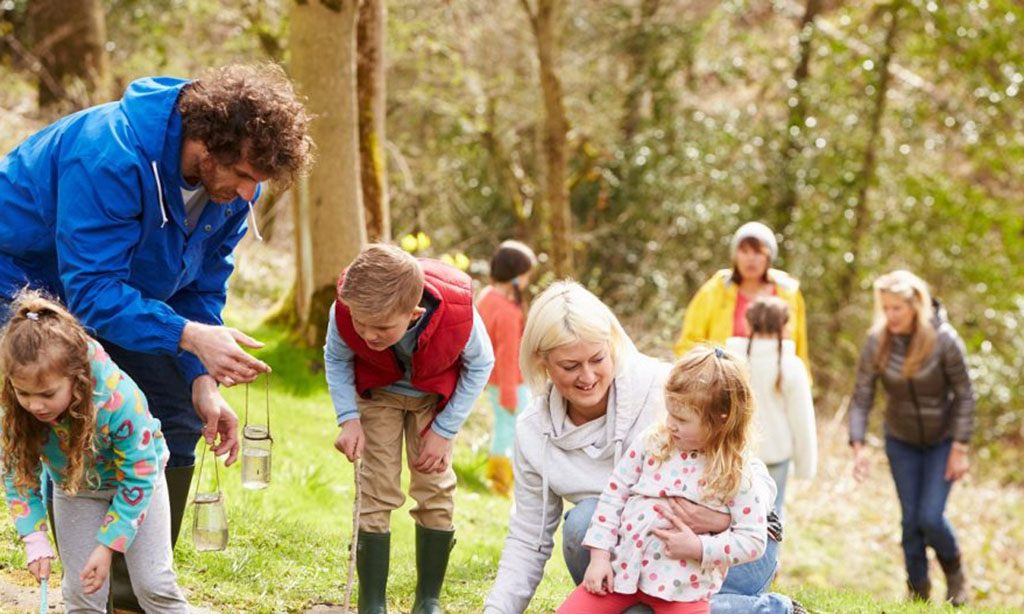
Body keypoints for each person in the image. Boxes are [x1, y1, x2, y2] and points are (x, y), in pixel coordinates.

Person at [0, 64, 313, 609]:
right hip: (24, 280)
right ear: (206, 149)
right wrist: (190, 337)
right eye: (242, 175)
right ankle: (84, 584)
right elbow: (94, 291)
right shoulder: (110, 154)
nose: (248, 192)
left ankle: (134, 592)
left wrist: (200, 374)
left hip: (115, 285)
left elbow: (201, 286)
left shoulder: (232, 193)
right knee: (53, 408)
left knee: (175, 408)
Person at [485, 281, 800, 614]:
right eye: (570, 366)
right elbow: (527, 540)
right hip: (644, 562)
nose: (588, 376)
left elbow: (752, 476)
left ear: (612, 345)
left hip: (729, 552)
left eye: (597, 359)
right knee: (584, 522)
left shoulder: (671, 391)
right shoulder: (535, 431)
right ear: (542, 361)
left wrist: (716, 519)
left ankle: (769, 609)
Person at [325, 243, 495, 614]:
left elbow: (482, 365)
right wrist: (347, 419)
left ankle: (428, 599)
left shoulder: (457, 314)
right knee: (377, 486)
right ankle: (372, 601)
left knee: (434, 488)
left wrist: (445, 430)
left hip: (431, 402)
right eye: (361, 324)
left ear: (414, 312)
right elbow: (337, 358)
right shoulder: (346, 307)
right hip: (378, 395)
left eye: (382, 327)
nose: (368, 334)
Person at [0, 292, 188, 612]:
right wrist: (35, 540)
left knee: (153, 585)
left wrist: (107, 546)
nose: (34, 405)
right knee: (81, 592)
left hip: (136, 483)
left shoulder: (119, 401)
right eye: (24, 393)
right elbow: (18, 475)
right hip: (75, 488)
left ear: (77, 378)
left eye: (47, 394)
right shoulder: (15, 412)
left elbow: (139, 475)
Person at [556, 346, 767, 614]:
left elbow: (753, 540)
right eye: (669, 413)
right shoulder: (653, 442)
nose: (669, 424)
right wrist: (599, 557)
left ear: (720, 420)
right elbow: (613, 495)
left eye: (681, 419)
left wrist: (700, 547)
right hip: (622, 574)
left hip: (685, 592)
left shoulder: (735, 472)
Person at [848, 270, 974, 606]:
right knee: (909, 521)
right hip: (901, 439)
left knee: (930, 517)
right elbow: (862, 395)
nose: (890, 316)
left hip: (943, 440)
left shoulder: (944, 340)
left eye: (897, 309)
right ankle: (917, 593)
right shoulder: (878, 342)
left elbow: (964, 394)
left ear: (916, 305)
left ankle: (955, 572)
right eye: (885, 308)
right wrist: (857, 445)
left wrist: (960, 446)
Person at [672, 222, 809, 374]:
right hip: (723, 383)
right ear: (735, 255)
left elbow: (800, 350)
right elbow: (689, 343)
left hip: (776, 384)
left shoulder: (788, 292)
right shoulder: (715, 290)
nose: (750, 258)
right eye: (744, 251)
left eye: (757, 252)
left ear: (769, 256)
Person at [726, 297, 817, 518]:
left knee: (731, 517)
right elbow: (802, 421)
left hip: (734, 452)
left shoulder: (730, 360)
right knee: (771, 520)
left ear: (747, 324)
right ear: (784, 327)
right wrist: (806, 467)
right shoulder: (792, 366)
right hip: (775, 458)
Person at [476, 240, 537, 497]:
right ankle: (500, 483)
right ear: (516, 275)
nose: (527, 280)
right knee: (510, 430)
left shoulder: (487, 296)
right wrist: (510, 395)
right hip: (509, 383)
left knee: (504, 426)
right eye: (526, 275)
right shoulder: (508, 313)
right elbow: (508, 356)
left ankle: (499, 479)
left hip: (494, 380)